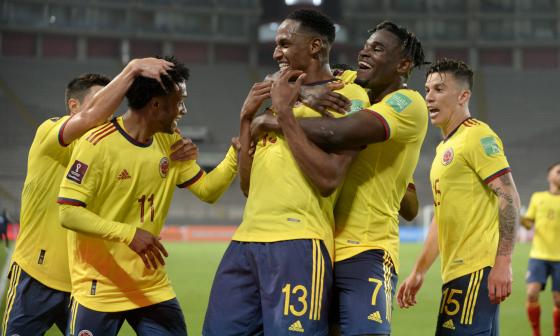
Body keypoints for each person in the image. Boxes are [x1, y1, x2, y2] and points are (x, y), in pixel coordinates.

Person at [203, 9, 370, 335]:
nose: (276, 52)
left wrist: (281, 114)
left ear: (315, 46)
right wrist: (246, 118)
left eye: (284, 43)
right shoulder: (275, 96)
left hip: (299, 242)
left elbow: (328, 180)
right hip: (245, 241)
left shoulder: (349, 98)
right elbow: (248, 187)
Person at [56, 56, 237, 335]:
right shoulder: (96, 144)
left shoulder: (171, 141)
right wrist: (129, 234)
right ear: (155, 105)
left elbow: (208, 191)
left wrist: (236, 153)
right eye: (179, 102)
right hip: (98, 287)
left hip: (151, 286)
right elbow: (68, 212)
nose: (184, 110)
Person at [1, 58, 177, 335]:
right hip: (37, 276)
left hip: (84, 285)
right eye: (101, 101)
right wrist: (132, 69)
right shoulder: (50, 131)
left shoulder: (106, 148)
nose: (107, 114)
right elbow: (90, 118)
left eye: (112, 104)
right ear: (74, 106)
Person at [397, 58, 521, 335]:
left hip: (476, 270)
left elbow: (509, 196)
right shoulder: (445, 148)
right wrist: (419, 270)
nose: (429, 96)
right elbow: (442, 218)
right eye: (427, 89)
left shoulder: (477, 136)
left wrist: (503, 262)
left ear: (463, 95)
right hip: (457, 272)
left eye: (439, 89)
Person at [521, 161, 560, 336]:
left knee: (559, 301)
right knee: (531, 294)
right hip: (539, 255)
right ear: (549, 175)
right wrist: (521, 219)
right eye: (558, 171)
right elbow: (529, 223)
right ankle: (536, 333)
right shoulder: (538, 197)